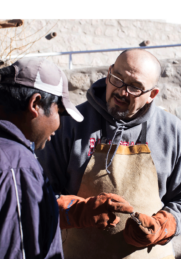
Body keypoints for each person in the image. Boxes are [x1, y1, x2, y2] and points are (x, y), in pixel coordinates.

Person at [37, 49, 180, 259]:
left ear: (153, 94)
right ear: (108, 73)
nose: (122, 91)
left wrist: (164, 226)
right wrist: (76, 212)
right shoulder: (69, 124)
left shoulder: (173, 132)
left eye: (135, 87)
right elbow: (38, 196)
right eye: (118, 79)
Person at [0, 57, 133, 259]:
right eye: (59, 112)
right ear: (35, 104)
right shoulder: (17, 164)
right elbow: (19, 248)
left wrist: (76, 210)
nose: (59, 126)